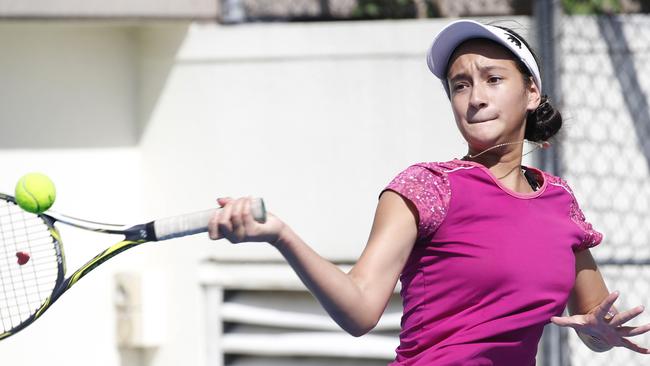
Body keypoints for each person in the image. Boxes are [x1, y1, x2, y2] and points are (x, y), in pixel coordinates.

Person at [207, 19, 650, 365]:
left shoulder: (559, 200)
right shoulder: (426, 186)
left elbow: (593, 325)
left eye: (493, 79)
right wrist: (281, 234)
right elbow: (359, 310)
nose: (474, 97)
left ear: (531, 92)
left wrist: (599, 331)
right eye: (460, 84)